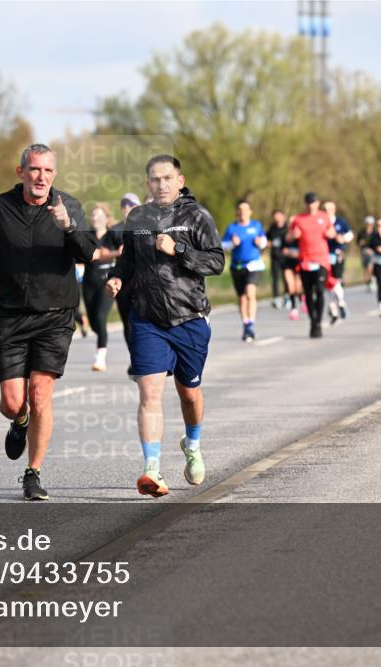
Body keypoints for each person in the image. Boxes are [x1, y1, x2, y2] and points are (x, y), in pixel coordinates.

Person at [0, 144, 96, 501]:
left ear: (54, 175)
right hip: (11, 314)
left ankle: (33, 473)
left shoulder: (68, 206)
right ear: (21, 171)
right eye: (35, 170)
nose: (41, 177)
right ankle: (19, 421)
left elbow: (88, 252)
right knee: (13, 401)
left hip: (56, 315)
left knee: (40, 394)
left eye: (48, 171)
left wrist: (68, 227)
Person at [105, 155, 223, 497]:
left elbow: (216, 261)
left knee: (188, 393)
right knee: (149, 392)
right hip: (147, 318)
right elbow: (127, 260)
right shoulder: (138, 218)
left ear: (180, 180)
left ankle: (193, 444)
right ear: (148, 184)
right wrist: (116, 278)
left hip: (189, 318)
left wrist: (179, 248)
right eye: (155, 179)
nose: (162, 184)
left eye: (168, 178)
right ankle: (151, 470)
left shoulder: (196, 215)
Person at [82, 202, 123, 371]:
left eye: (99, 215)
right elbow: (84, 255)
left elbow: (122, 253)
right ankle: (100, 338)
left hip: (107, 282)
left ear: (106, 218)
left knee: (100, 317)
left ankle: (100, 358)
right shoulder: (88, 236)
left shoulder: (113, 235)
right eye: (93, 215)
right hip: (89, 282)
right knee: (93, 324)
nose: (95, 218)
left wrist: (110, 255)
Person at [289, 192, 336, 338]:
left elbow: (333, 233)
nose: (311, 205)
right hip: (305, 261)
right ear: (306, 204)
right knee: (308, 293)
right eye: (309, 202)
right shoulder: (298, 219)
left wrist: (330, 233)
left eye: (313, 202)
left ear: (318, 203)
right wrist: (293, 235)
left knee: (320, 290)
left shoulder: (324, 217)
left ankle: (319, 322)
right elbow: (289, 237)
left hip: (321, 260)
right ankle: (313, 320)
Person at [221, 200, 267, 341]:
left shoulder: (256, 226)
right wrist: (231, 244)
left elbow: (264, 241)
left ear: (250, 211)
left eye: (245, 209)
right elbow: (223, 245)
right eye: (240, 210)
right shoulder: (232, 228)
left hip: (253, 265)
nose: (243, 212)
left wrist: (261, 243)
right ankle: (246, 324)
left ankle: (251, 324)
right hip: (237, 266)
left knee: (250, 294)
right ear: (237, 212)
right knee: (242, 298)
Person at [115, 193, 140, 372]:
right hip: (123, 282)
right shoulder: (115, 229)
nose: (126, 208)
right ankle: (134, 357)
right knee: (127, 322)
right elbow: (101, 249)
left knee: (141, 321)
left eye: (130, 205)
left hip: (141, 282)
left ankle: (144, 358)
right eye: (124, 205)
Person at [323, 200, 352, 323]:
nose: (327, 212)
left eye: (329, 209)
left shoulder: (340, 221)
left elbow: (349, 235)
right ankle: (334, 305)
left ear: (334, 210)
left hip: (337, 254)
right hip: (324, 255)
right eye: (325, 210)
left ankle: (339, 303)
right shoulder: (321, 222)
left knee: (336, 280)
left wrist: (342, 239)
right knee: (327, 282)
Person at [266, 209, 288, 308]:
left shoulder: (288, 228)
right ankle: (276, 298)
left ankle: (287, 297)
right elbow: (266, 240)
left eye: (279, 216)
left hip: (286, 258)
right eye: (275, 216)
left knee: (286, 278)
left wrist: (288, 248)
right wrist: (268, 243)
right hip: (275, 256)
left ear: (283, 217)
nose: (277, 218)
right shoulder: (272, 228)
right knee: (275, 278)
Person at [358, 215, 376, 291]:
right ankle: (367, 283)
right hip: (364, 252)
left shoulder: (375, 233)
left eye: (370, 223)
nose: (369, 225)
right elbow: (359, 242)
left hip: (372, 252)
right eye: (368, 223)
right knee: (365, 268)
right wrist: (362, 244)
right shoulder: (362, 232)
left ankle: (372, 280)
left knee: (370, 266)